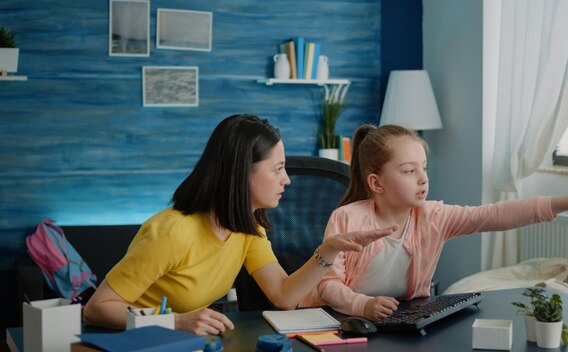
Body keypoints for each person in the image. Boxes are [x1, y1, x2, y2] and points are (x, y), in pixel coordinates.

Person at [82, 114, 396, 335]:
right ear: (241, 172)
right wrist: (174, 322)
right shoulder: (171, 232)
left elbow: (285, 297)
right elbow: (98, 308)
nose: (287, 179)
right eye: (277, 169)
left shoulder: (247, 228)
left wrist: (327, 250)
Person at [302, 124, 568, 321]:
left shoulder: (434, 216)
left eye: (424, 168)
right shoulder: (347, 218)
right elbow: (327, 284)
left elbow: (494, 214)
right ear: (376, 183)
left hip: (401, 320)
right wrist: (363, 306)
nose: (423, 178)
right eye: (409, 171)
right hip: (343, 322)